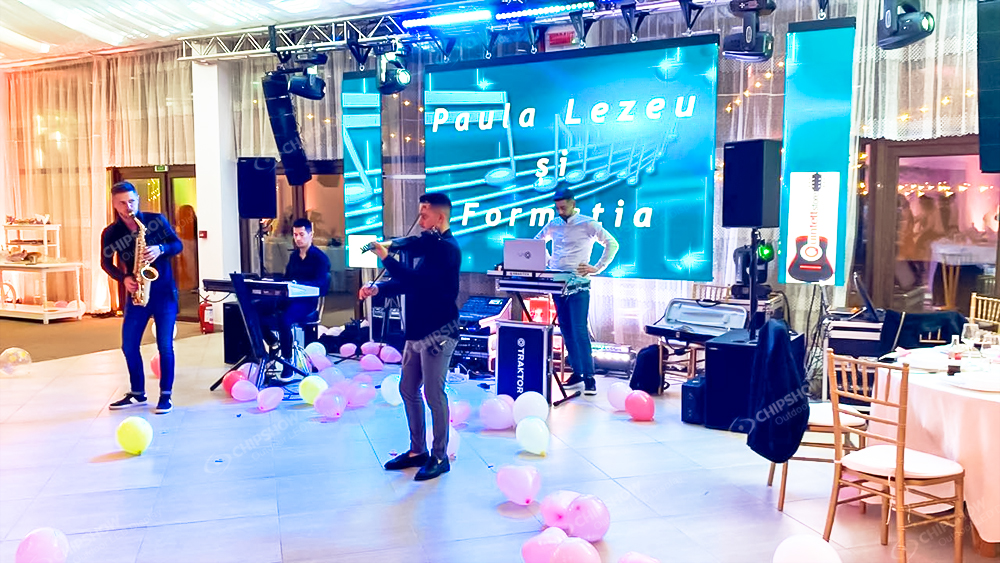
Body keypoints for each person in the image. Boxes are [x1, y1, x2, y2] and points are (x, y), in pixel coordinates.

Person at [359, 193, 461, 481]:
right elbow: (409, 256)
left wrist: (385, 256)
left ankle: (439, 456)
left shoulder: (448, 250)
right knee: (407, 388)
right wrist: (379, 288)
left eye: (424, 215)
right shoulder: (430, 244)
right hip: (416, 331)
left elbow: (416, 281)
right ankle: (418, 451)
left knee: (433, 394)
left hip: (439, 333)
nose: (420, 220)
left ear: (440, 217)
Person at [101, 182, 183, 414]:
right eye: (122, 203)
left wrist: (160, 249)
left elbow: (177, 245)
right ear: (114, 204)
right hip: (137, 294)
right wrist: (124, 278)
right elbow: (105, 263)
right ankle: (137, 393)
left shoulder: (156, 220)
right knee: (128, 345)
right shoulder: (111, 233)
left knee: (164, 346)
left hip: (164, 293)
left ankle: (165, 396)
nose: (129, 207)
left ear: (137, 199)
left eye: (132, 201)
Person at [535, 188, 619, 396]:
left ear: (573, 203)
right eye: (557, 208)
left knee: (579, 329)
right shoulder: (553, 224)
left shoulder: (588, 223)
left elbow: (612, 243)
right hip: (556, 281)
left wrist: (597, 267)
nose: (560, 211)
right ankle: (577, 372)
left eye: (563, 207)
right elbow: (535, 242)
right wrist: (548, 263)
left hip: (578, 283)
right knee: (566, 328)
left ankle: (589, 376)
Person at [263, 218, 331, 379]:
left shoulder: (320, 258)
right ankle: (273, 343)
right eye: (295, 235)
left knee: (284, 318)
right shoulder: (294, 257)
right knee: (255, 308)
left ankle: (288, 361)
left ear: (311, 235)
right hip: (289, 298)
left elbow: (321, 284)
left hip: (307, 302)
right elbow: (288, 278)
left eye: (301, 234)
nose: (298, 238)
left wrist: (298, 284)